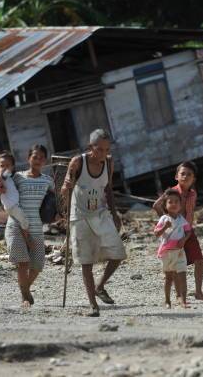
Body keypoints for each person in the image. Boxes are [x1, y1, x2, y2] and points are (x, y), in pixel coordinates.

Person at [61, 129, 126, 317]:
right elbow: (66, 186)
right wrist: (66, 188)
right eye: (99, 149)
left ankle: (100, 285)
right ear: (91, 147)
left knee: (118, 253)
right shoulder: (78, 162)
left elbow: (108, 189)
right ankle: (93, 305)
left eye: (107, 149)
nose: (103, 154)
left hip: (100, 213)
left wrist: (115, 214)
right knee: (86, 262)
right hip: (79, 215)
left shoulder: (108, 162)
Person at [0, 145, 54, 309]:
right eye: (35, 157)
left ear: (45, 160)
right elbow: (1, 187)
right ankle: (25, 297)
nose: (38, 160)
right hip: (15, 223)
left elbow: (58, 198)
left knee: (37, 264)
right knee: (22, 262)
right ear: (29, 158)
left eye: (41, 157)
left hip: (35, 224)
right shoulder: (18, 177)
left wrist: (59, 211)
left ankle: (26, 289)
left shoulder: (47, 180)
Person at [153, 161, 203, 302]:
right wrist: (167, 220)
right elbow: (156, 205)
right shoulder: (172, 192)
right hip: (174, 234)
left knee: (198, 259)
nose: (185, 176)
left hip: (188, 231)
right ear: (176, 176)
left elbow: (190, 211)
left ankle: (198, 292)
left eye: (189, 174)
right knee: (175, 264)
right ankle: (178, 295)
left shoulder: (193, 194)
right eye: (182, 174)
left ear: (193, 179)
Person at [154, 188, 191, 309]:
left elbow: (188, 232)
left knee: (182, 275)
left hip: (179, 251)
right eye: (170, 202)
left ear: (180, 205)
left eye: (176, 202)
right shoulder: (163, 219)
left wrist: (184, 240)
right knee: (169, 278)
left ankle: (183, 300)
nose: (174, 204)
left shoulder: (182, 219)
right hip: (167, 252)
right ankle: (167, 301)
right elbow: (156, 233)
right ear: (165, 205)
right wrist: (164, 227)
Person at [0, 152, 34, 250]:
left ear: (12, 167)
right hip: (11, 206)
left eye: (7, 166)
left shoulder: (10, 179)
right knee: (25, 221)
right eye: (2, 166)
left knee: (23, 221)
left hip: (15, 205)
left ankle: (26, 239)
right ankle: (28, 241)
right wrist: (1, 176)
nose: (4, 168)